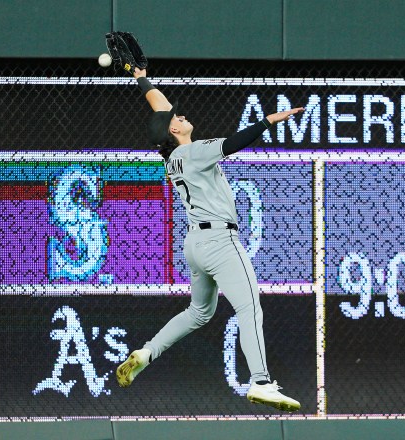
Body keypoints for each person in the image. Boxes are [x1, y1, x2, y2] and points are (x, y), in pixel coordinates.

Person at [116, 67, 304, 412]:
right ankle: (261, 382)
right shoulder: (196, 150)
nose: (181, 115)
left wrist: (141, 77)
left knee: (199, 312)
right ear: (174, 130)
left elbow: (160, 108)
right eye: (178, 117)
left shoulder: (171, 157)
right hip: (219, 241)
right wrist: (269, 120)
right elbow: (235, 143)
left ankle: (147, 352)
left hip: (195, 245)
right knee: (249, 308)